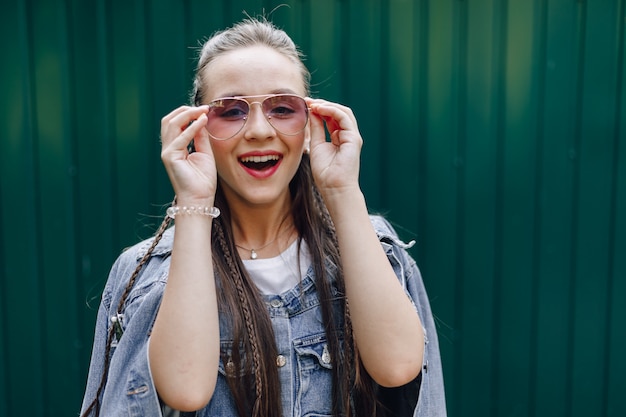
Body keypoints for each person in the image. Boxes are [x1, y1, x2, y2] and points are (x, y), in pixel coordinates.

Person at [80, 16, 446, 417]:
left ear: (310, 125)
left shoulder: (370, 245)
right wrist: (193, 198)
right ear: (198, 127)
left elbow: (397, 367)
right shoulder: (150, 272)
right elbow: (185, 390)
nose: (258, 130)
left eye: (283, 108)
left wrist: (342, 191)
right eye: (232, 111)